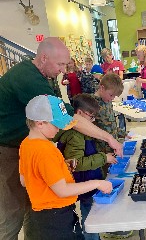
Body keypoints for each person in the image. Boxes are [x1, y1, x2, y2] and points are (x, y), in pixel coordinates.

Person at [0, 37, 122, 240]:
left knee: (31, 206)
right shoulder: (29, 80)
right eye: (60, 64)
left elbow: (26, 180)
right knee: (12, 212)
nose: (64, 70)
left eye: (66, 64)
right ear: (44, 57)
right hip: (6, 148)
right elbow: (72, 120)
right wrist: (108, 138)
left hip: (23, 153)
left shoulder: (31, 144)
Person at [19, 94, 113, 240]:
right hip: (56, 219)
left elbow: (25, 181)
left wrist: (60, 167)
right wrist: (98, 183)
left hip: (38, 219)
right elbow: (62, 191)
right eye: (57, 125)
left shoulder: (26, 144)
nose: (60, 129)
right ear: (40, 123)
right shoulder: (46, 150)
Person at [57, 93, 117, 240]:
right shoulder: (75, 136)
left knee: (92, 213)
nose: (93, 121)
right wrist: (104, 158)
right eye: (91, 117)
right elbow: (76, 165)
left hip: (90, 180)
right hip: (83, 183)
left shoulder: (84, 132)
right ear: (79, 114)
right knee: (90, 216)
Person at [93, 73, 133, 239]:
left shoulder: (107, 102)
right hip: (100, 155)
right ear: (101, 88)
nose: (112, 99)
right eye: (111, 95)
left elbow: (112, 127)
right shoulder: (92, 104)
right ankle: (107, 227)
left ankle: (114, 223)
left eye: (115, 97)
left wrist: (123, 134)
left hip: (112, 153)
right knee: (103, 190)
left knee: (113, 185)